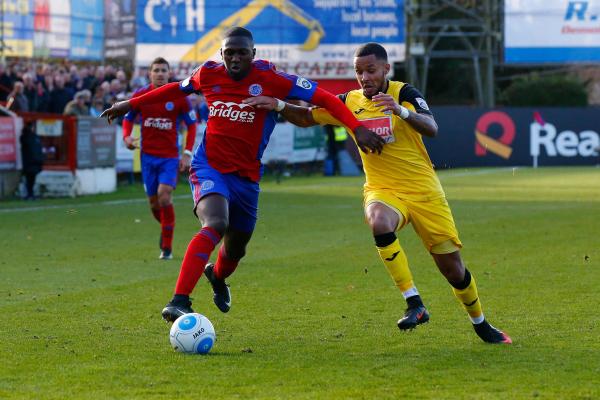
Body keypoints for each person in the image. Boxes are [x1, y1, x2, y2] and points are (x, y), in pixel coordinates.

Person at [100, 27, 382, 322]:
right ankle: (179, 300)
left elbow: (326, 98)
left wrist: (357, 127)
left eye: (241, 53)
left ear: (253, 54)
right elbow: (175, 88)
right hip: (209, 165)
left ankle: (218, 277)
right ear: (221, 54)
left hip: (247, 176)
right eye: (229, 53)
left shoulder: (272, 79)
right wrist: (129, 105)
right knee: (216, 222)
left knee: (236, 248)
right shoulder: (207, 74)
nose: (234, 58)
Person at [243, 42, 511, 344]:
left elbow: (432, 127)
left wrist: (400, 111)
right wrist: (278, 105)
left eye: (371, 70)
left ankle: (480, 323)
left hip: (425, 193)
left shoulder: (404, 93)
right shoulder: (348, 100)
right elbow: (307, 117)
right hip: (383, 190)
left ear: (386, 69)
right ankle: (414, 303)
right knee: (378, 221)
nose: (365, 77)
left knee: (453, 270)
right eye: (359, 71)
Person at [122, 57, 198, 260]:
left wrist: (187, 153)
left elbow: (192, 125)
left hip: (169, 158)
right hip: (147, 157)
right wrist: (127, 137)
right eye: (156, 70)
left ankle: (167, 247)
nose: (160, 73)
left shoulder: (179, 97)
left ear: (169, 73)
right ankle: (167, 229)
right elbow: (127, 118)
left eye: (164, 70)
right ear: (150, 74)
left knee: (164, 196)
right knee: (154, 204)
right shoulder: (141, 95)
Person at [20, 122, 44, 200]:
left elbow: (38, 149)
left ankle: (31, 194)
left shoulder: (35, 137)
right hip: (29, 162)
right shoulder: (26, 137)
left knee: (32, 179)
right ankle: (29, 194)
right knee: (29, 179)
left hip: (34, 162)